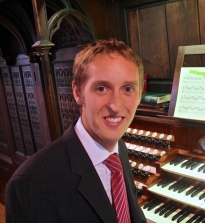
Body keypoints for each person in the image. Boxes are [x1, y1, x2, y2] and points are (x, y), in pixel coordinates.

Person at [5, 39, 147, 223]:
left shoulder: (118, 148)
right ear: (78, 92)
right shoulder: (30, 184)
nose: (115, 105)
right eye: (101, 88)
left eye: (128, 89)